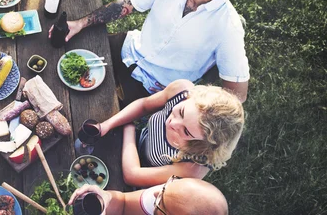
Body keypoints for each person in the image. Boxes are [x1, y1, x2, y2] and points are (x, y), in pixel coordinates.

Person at [54, 0, 253, 104]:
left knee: (85, 107)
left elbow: (237, 95)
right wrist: (80, 24)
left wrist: (186, 99)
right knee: (61, 53)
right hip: (128, 49)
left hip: (151, 90)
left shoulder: (228, 27)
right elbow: (127, 4)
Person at [98, 79, 244, 187]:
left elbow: (132, 175)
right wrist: (107, 125)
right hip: (132, 140)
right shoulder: (181, 90)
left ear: (203, 143)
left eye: (186, 131)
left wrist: (128, 129)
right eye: (181, 112)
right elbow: (144, 105)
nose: (172, 123)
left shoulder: (194, 166)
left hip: (135, 178)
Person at [69, 177, 228, 215]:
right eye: (168, 185)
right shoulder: (170, 195)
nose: (156, 193)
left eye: (161, 203)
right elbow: (124, 203)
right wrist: (105, 198)